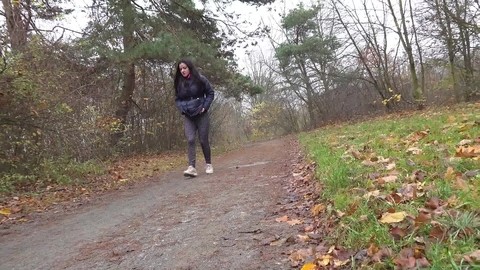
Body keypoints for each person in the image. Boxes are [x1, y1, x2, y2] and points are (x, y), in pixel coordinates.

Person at [174, 59, 215, 177]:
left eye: (184, 68)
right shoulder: (179, 82)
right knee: (190, 139)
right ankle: (192, 167)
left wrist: (205, 107)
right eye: (180, 69)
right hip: (188, 115)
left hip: (201, 114)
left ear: (189, 68)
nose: (182, 71)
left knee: (203, 140)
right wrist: (182, 108)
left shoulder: (200, 79)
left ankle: (208, 164)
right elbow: (178, 99)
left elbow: (210, 93)